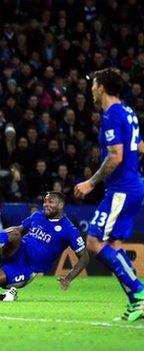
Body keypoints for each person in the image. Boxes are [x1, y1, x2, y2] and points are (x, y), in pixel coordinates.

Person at [74, 68, 144, 322]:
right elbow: (140, 147)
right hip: (133, 185)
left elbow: (116, 156)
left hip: (122, 189)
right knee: (113, 245)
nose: (92, 89)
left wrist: (91, 183)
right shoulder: (128, 111)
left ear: (101, 88)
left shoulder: (112, 114)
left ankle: (139, 292)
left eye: (93, 85)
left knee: (94, 242)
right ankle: (137, 303)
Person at [0, 192, 88, 293]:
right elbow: (16, 230)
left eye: (50, 202)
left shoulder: (69, 229)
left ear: (61, 205)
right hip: (16, 251)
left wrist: (68, 278)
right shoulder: (37, 216)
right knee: (15, 234)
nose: (46, 205)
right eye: (45, 201)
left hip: (25, 268)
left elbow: (84, 257)